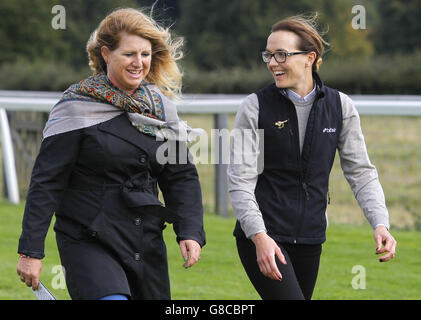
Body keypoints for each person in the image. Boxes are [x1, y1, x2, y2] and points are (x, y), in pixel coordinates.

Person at [16, 8, 205, 300]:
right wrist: (31, 251)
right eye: (129, 54)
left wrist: (189, 230)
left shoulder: (161, 110)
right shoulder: (75, 107)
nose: (139, 62)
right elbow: (46, 182)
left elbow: (180, 176)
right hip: (87, 238)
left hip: (145, 241)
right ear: (106, 54)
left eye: (145, 54)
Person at [228, 14, 397, 300]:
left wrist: (380, 223)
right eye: (268, 55)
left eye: (281, 54)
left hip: (311, 239)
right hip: (263, 236)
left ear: (309, 58)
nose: (272, 63)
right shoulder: (254, 107)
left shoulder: (341, 106)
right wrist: (259, 236)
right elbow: (240, 181)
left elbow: (361, 172)